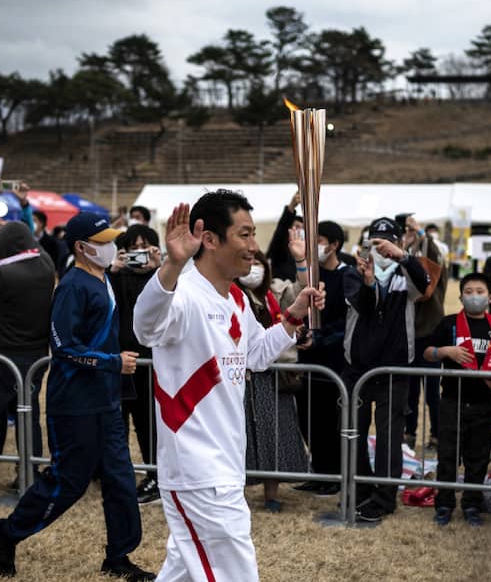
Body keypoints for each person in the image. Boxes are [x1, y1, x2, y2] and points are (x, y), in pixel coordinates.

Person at [132, 192, 324, 581]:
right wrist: (171, 264)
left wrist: (292, 318)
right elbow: (145, 327)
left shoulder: (236, 298)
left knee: (184, 572)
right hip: (196, 470)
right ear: (210, 239)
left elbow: (254, 353)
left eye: (253, 235)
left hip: (226, 464)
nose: (254, 247)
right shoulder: (184, 295)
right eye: (245, 234)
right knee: (237, 573)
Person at [0, 213, 154, 580]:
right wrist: (111, 361)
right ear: (82, 247)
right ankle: (5, 533)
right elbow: (62, 346)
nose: (111, 247)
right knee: (68, 483)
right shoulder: (73, 286)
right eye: (104, 240)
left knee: (121, 479)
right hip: (74, 404)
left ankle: (119, 557)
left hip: (106, 402)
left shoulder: (104, 276)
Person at [345, 216, 429, 523]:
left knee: (389, 435)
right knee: (354, 431)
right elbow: (365, 306)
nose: (380, 248)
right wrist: (368, 281)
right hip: (359, 367)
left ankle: (384, 496)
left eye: (386, 241)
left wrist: (403, 256)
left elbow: (425, 285)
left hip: (395, 367)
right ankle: (362, 488)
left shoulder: (405, 274)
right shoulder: (354, 273)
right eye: (375, 242)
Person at [0, 222, 55, 492]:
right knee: (29, 414)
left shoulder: (5, 274)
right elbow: (34, 249)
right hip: (36, 354)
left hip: (3, 354)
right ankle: (28, 471)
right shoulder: (46, 266)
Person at [424, 273, 491, 528]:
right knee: (447, 456)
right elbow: (428, 353)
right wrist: (446, 351)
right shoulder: (448, 324)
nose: (474, 296)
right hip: (452, 401)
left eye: (479, 291)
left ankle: (472, 505)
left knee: (478, 458)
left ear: (490, 297)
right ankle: (443, 504)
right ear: (461, 295)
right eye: (469, 291)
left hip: (484, 404)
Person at [238, 249, 308, 513]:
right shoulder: (231, 295)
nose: (253, 267)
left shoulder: (274, 293)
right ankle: (237, 492)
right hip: (244, 377)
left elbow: (303, 289)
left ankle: (271, 494)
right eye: (249, 261)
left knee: (275, 432)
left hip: (274, 376)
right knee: (242, 434)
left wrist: (301, 260)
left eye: (258, 262)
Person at [294, 220, 354, 497]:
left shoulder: (347, 276)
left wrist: (319, 337)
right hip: (309, 359)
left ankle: (335, 475)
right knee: (308, 418)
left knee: (332, 421)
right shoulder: (312, 275)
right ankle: (317, 471)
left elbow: (346, 323)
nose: (314, 245)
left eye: (319, 240)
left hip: (334, 362)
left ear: (334, 245)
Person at [109, 224, 163, 505]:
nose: (139, 254)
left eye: (145, 247)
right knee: (116, 421)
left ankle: (155, 474)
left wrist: (157, 268)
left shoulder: (161, 279)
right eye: (133, 249)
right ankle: (117, 475)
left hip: (150, 361)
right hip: (118, 359)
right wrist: (113, 270)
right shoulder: (116, 278)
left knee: (148, 423)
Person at [405, 215, 447, 452]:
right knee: (409, 392)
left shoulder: (436, 268)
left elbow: (431, 252)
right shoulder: (407, 267)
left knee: (433, 392)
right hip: (410, 336)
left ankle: (437, 435)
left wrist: (421, 234)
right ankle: (409, 433)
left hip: (431, 335)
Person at [266, 191, 305, 282]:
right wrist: (291, 207)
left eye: (303, 228)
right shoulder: (280, 250)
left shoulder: (308, 254)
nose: (300, 231)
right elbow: (281, 231)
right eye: (297, 227)